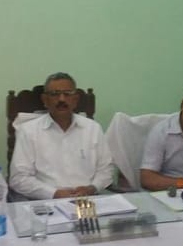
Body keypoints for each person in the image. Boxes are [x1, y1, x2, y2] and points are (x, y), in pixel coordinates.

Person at [9, 72, 113, 200]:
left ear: (75, 99)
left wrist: (92, 188)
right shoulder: (28, 131)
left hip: (88, 200)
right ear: (45, 100)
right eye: (55, 94)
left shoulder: (93, 128)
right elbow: (18, 178)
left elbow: (106, 170)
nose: (61, 99)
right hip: (46, 202)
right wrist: (54, 193)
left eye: (67, 94)